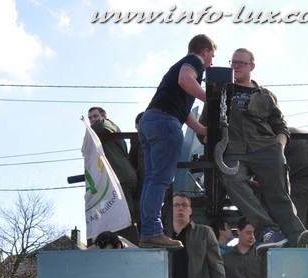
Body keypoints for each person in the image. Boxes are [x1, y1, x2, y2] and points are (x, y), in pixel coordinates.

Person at [217, 48, 308, 248]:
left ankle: (297, 235)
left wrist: (279, 148)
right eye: (233, 62)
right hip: (235, 151)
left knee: (278, 192)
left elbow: (280, 125)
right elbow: (206, 124)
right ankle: (268, 230)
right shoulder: (220, 92)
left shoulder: (266, 96)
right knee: (232, 179)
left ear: (252, 66)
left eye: (241, 63)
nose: (236, 66)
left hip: (266, 148)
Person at [138, 34, 215, 249]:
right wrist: (213, 99)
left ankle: (148, 231)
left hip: (149, 120)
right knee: (160, 180)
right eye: (212, 56)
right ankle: (152, 232)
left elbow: (184, 111)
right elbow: (185, 80)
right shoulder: (195, 61)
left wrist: (202, 130)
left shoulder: (180, 68)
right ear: (205, 51)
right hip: (165, 123)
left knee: (152, 179)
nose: (211, 62)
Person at [88, 106, 139, 244]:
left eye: (95, 116)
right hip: (115, 179)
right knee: (115, 218)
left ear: (104, 117)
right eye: (90, 118)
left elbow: (99, 126)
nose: (92, 120)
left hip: (121, 177)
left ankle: (134, 247)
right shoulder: (100, 133)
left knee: (125, 218)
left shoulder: (109, 125)